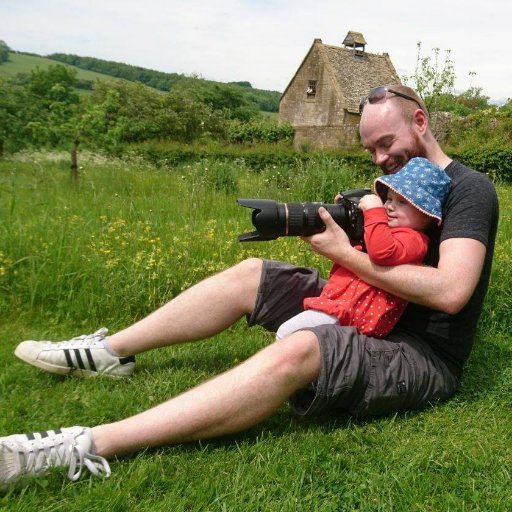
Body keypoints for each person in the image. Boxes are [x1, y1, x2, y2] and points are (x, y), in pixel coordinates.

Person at [0, 85, 499, 488]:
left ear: (420, 121)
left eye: (385, 144)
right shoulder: (393, 185)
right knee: (252, 274)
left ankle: (86, 444)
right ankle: (112, 351)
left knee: (303, 348)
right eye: (369, 149)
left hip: (418, 352)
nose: (377, 158)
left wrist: (346, 256)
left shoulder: (468, 189)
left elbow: (451, 291)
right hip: (365, 305)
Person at [276, 156, 451, 340]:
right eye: (389, 199)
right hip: (341, 308)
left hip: (353, 313)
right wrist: (347, 218)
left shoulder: (415, 240)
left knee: (286, 334)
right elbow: (360, 249)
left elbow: (382, 253)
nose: (389, 206)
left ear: (426, 215)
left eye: (402, 202)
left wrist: (374, 212)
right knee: (293, 338)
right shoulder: (385, 230)